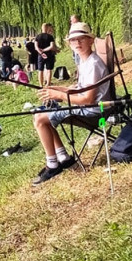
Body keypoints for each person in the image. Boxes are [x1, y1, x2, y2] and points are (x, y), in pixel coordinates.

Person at [32, 22, 110, 185]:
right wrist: (57, 88)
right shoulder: (85, 61)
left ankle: (52, 164)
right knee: (39, 114)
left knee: (40, 119)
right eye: (73, 40)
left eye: (82, 39)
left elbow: (88, 99)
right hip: (85, 107)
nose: (78, 43)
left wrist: (58, 95)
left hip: (92, 111)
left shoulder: (93, 64)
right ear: (69, 44)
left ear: (90, 40)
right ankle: (63, 158)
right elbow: (79, 89)